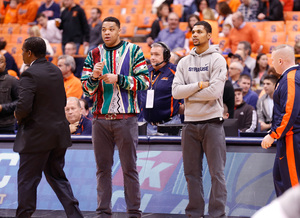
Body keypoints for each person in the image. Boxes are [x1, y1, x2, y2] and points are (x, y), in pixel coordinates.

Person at [81, 17, 150, 218]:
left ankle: (134, 212)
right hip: (100, 119)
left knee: (129, 168)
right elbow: (86, 89)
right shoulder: (93, 54)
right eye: (104, 29)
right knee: (102, 169)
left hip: (125, 118)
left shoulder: (134, 50)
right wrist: (94, 77)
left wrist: (118, 79)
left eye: (111, 29)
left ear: (120, 31)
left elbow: (145, 81)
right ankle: (103, 211)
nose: (107, 33)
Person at [13, 37, 83, 218]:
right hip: (58, 135)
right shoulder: (55, 70)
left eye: (23, 51)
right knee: (58, 177)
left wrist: (17, 116)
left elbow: (24, 107)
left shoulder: (29, 74)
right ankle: (75, 215)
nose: (21, 54)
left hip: (36, 137)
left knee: (27, 181)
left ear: (29, 53)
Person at [172, 20, 227, 218]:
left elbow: (214, 92)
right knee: (191, 174)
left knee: (217, 174)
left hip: (212, 122)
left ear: (209, 35)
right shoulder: (184, 62)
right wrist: (199, 86)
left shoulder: (218, 60)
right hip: (189, 124)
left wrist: (189, 94)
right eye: (193, 32)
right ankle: (194, 214)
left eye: (199, 32)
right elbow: (176, 92)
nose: (194, 35)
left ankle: (217, 214)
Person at [261, 44, 300, 197]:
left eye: (273, 60)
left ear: (281, 61)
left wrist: (273, 134)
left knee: (292, 185)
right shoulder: (291, 77)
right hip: (289, 137)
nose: (272, 63)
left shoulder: (291, 78)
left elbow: (290, 112)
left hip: (292, 137)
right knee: (281, 179)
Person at [140, 42, 183, 135]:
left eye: (157, 54)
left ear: (166, 56)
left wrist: (178, 105)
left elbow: (184, 91)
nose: (152, 57)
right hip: (147, 125)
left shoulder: (175, 71)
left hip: (169, 124)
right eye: (151, 54)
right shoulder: (145, 71)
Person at [0, 54, 19, 134]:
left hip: (6, 125)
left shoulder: (12, 81)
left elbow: (21, 102)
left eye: (0, 62)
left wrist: (2, 108)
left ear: (5, 63)